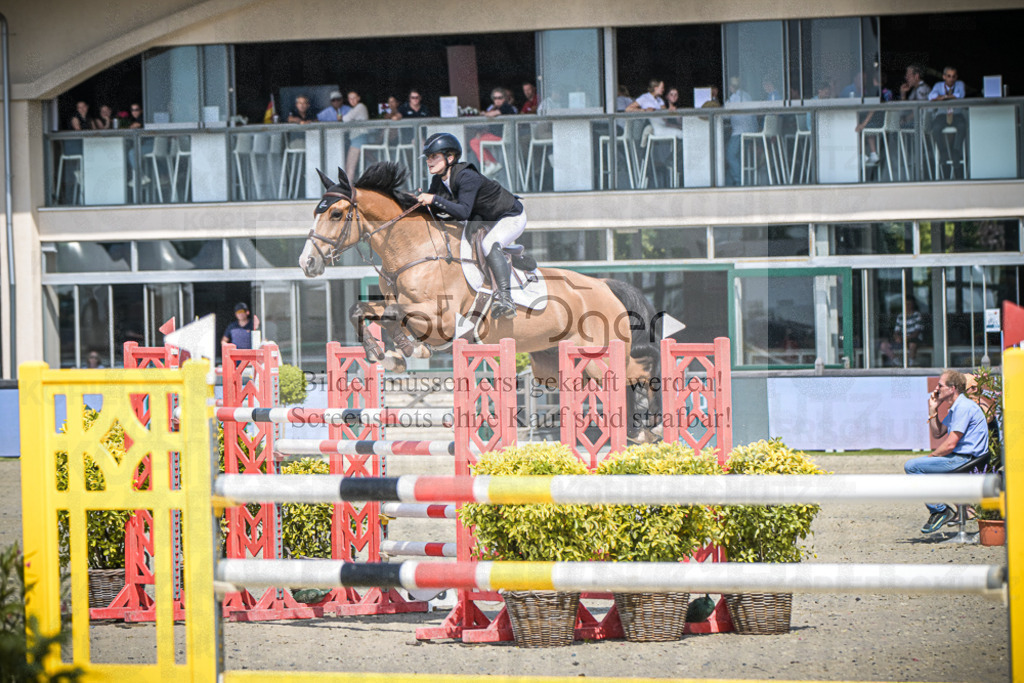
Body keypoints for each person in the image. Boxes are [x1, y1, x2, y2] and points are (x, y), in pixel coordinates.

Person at [416, 133, 525, 320]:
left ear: (450, 158)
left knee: (489, 244)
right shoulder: (438, 180)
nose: (429, 161)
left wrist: (433, 199)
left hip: (510, 216)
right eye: (427, 157)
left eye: (434, 156)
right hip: (484, 218)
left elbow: (463, 212)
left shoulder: (467, 176)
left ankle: (505, 298)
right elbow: (435, 210)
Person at [904, 369, 989, 534]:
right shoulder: (958, 407)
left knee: (912, 467)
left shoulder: (963, 407)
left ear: (952, 388)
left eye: (940, 385)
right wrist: (933, 410)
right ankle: (961, 509)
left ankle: (940, 511)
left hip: (965, 459)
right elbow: (938, 433)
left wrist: (930, 458)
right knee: (920, 467)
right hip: (963, 457)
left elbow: (950, 444)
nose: (936, 389)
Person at [928, 66, 968, 179]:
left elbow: (960, 95)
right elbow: (931, 97)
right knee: (936, 128)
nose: (951, 79)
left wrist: (942, 97)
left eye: (953, 76)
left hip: (956, 114)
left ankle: (956, 152)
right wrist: (949, 97)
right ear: (944, 77)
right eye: (949, 76)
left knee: (962, 126)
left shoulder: (960, 84)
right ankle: (943, 152)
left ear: (956, 77)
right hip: (942, 115)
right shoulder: (938, 85)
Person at [469, 88, 516, 172]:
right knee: (478, 142)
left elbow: (493, 114)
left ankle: (490, 164)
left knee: (474, 142)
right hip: (498, 136)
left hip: (501, 137)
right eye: (495, 98)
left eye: (500, 98)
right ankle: (493, 163)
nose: (497, 100)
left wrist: (483, 113)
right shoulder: (498, 107)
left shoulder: (506, 106)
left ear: (504, 98)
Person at [854, 73, 894, 167]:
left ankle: (861, 154)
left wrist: (863, 124)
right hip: (885, 122)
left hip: (876, 123)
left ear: (873, 79)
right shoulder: (887, 92)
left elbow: (872, 108)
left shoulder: (874, 91)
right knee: (868, 128)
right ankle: (873, 153)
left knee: (859, 129)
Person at [724, 76, 757, 186]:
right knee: (738, 158)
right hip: (751, 132)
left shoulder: (733, 98)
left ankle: (740, 181)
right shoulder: (747, 95)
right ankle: (729, 183)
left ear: (730, 87)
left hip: (739, 132)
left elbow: (725, 115)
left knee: (730, 156)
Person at [342, 90, 370, 180]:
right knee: (348, 166)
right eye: (350, 99)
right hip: (355, 139)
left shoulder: (360, 106)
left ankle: (348, 188)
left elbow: (346, 119)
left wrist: (341, 117)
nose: (352, 100)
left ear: (358, 98)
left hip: (359, 138)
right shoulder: (353, 109)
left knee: (350, 167)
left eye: (354, 98)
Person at [893, 297, 926, 366]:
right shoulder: (900, 316)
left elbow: (916, 332)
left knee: (912, 344)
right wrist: (897, 337)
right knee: (884, 345)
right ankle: (897, 362)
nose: (907, 306)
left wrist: (904, 338)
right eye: (905, 304)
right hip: (902, 339)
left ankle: (911, 364)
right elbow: (896, 330)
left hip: (915, 339)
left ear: (913, 305)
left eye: (909, 304)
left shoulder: (917, 315)